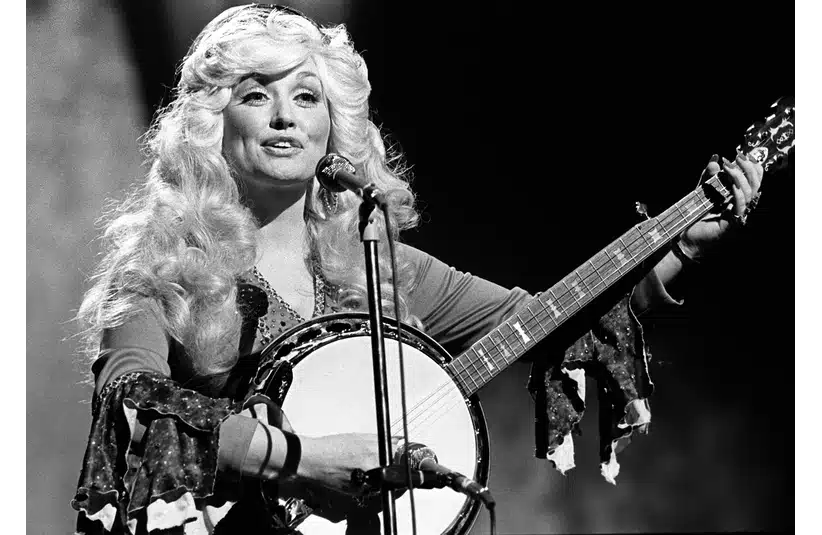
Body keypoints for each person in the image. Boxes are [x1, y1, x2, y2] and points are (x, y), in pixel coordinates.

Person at [70, 4, 765, 534]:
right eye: (256, 95)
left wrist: (677, 247)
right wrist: (299, 456)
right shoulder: (161, 270)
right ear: (214, 123)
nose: (284, 116)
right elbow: (130, 409)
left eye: (306, 97)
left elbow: (550, 322)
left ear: (333, 126)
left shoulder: (377, 260)